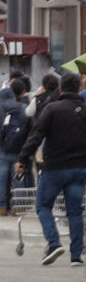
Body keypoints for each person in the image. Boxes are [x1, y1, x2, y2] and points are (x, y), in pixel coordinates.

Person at [16, 74, 86, 265]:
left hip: (54, 167)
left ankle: (54, 243)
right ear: (80, 88)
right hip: (80, 168)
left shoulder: (52, 109)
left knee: (43, 205)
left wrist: (22, 159)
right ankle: (76, 256)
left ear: (61, 89)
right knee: (74, 211)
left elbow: (36, 136)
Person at [0, 76, 29, 215]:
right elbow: (30, 127)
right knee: (18, 177)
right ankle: (19, 206)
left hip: (2, 149)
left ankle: (2, 207)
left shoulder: (0, 108)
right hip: (20, 149)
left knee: (1, 179)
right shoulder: (23, 107)